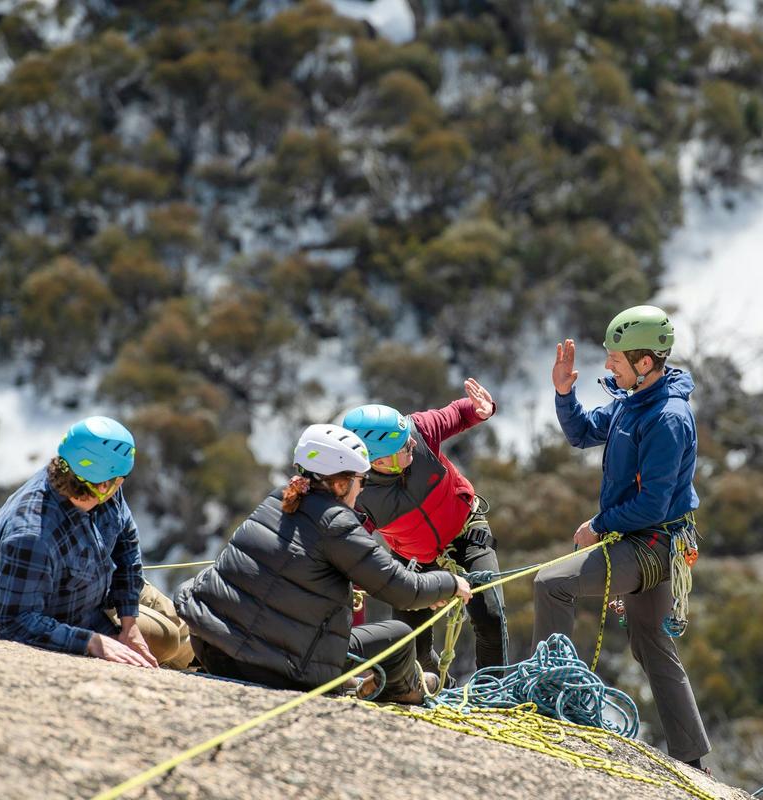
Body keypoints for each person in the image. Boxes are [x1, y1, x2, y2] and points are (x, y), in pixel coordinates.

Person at [533, 305, 711, 770]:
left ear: (646, 363)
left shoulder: (667, 418)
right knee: (650, 639)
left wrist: (598, 527)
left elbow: (653, 504)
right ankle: (691, 760)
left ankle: (544, 705)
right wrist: (564, 393)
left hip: (649, 543)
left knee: (552, 583)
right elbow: (582, 433)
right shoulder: (632, 401)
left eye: (616, 359)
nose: (608, 366)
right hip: (646, 540)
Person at [174, 424, 471, 703]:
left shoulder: (276, 501)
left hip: (212, 647)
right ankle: (405, 691)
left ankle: (355, 681)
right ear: (341, 484)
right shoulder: (337, 525)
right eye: (361, 480)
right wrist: (450, 583)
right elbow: (402, 590)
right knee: (400, 638)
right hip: (274, 669)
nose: (363, 488)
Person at [0, 416, 193, 669]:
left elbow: (126, 543)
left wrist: (129, 622)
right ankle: (193, 669)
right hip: (54, 607)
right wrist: (91, 641)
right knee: (167, 639)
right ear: (102, 485)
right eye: (120, 479)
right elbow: (15, 621)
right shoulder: (31, 536)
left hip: (95, 578)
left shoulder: (94, 479)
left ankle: (202, 660)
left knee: (185, 620)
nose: (122, 485)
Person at [341, 379, 507, 676]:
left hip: (467, 533)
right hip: (415, 560)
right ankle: (443, 693)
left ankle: (493, 693)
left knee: (490, 616)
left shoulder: (417, 430)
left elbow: (455, 415)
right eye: (404, 447)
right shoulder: (358, 496)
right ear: (380, 461)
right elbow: (353, 557)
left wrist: (480, 409)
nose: (413, 444)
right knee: (412, 649)